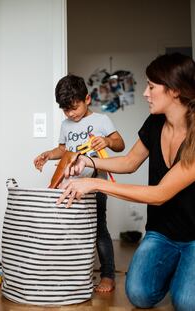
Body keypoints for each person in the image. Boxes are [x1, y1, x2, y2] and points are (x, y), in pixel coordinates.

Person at [57, 53, 195, 311]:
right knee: (138, 295)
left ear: (175, 91)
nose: (145, 93)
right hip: (161, 233)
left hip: (193, 237)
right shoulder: (154, 123)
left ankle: (184, 271)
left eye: (152, 86)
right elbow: (130, 162)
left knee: (186, 302)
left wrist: (95, 184)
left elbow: (160, 194)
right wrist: (89, 162)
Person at [33, 74, 125, 293]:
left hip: (95, 187)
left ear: (87, 99)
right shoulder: (66, 124)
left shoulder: (101, 121)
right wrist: (49, 154)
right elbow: (63, 150)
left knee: (98, 229)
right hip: (69, 187)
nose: (71, 114)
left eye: (74, 108)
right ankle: (69, 271)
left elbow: (120, 145)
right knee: (68, 229)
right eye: (66, 110)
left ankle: (108, 274)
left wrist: (107, 141)